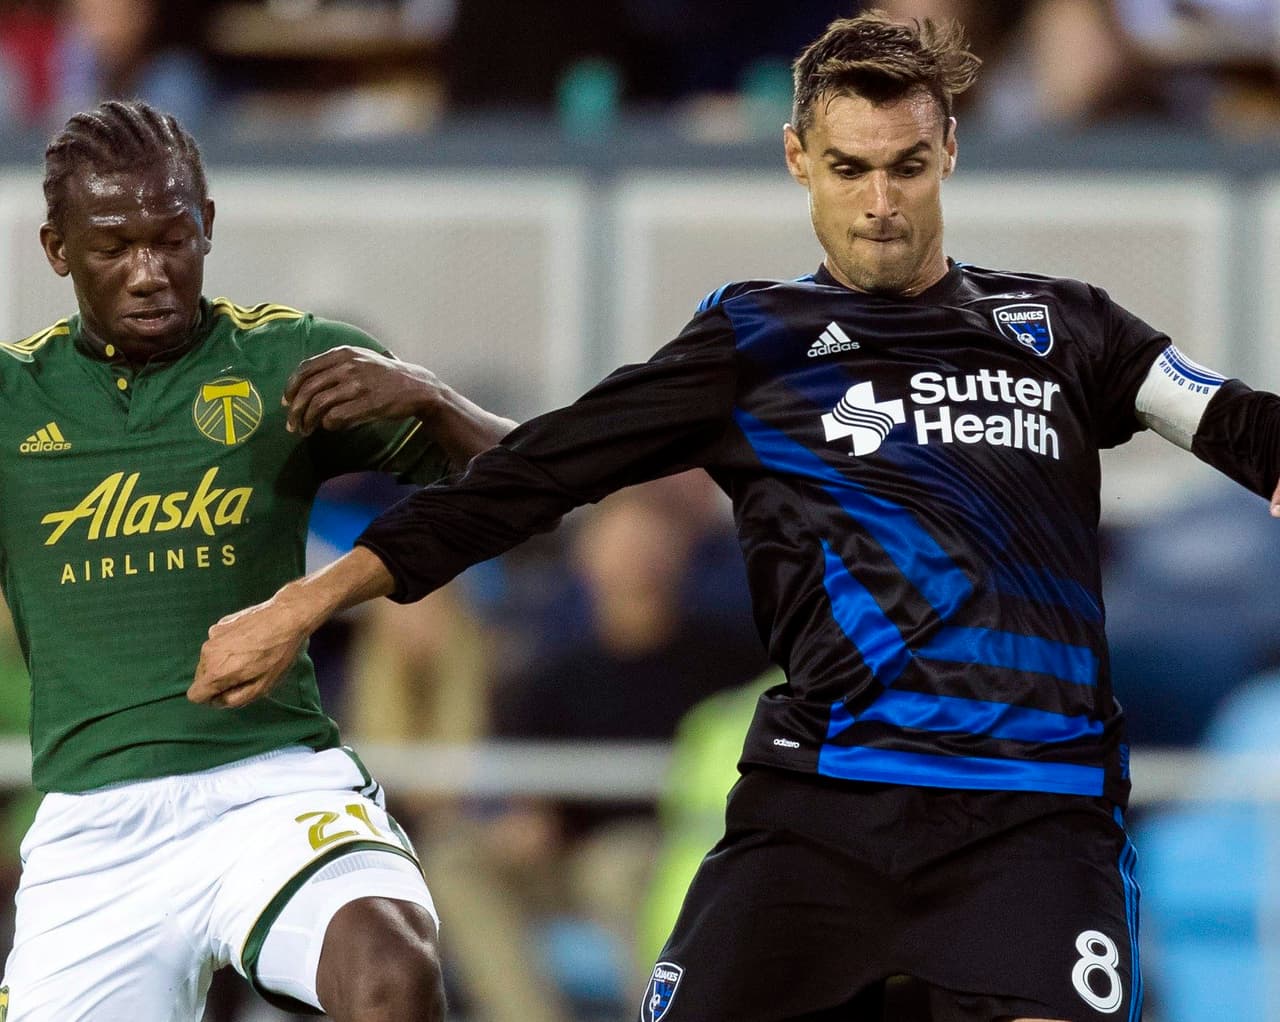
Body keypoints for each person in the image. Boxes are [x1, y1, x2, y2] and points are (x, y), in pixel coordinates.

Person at [191, 11, 1280, 1022]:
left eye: (906, 166)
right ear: (798, 158)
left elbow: (1236, 424)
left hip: (1032, 813)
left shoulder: (1064, 325)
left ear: (948, 150)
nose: (881, 202)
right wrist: (306, 602)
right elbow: (546, 469)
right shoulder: (754, 340)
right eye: (848, 169)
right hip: (826, 808)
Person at [0, 99, 515, 1021]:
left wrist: (431, 399)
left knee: (391, 973)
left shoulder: (288, 360)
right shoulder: (11, 400)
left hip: (272, 787)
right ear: (56, 250)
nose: (150, 272)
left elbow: (543, 485)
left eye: (173, 239)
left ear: (207, 224)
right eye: (114, 247)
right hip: (93, 826)